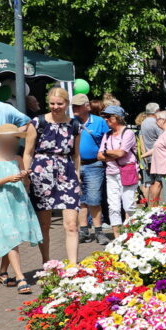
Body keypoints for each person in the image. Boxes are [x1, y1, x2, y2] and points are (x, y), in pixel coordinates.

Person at [23, 87, 82, 264]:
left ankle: (73, 266)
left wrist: (77, 175)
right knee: (44, 224)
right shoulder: (37, 122)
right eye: (52, 103)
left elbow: (76, 154)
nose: (55, 107)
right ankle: (46, 261)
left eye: (59, 103)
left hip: (67, 172)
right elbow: (28, 152)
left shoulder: (74, 125)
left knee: (72, 224)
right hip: (42, 173)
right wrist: (26, 176)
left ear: (67, 104)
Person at [0, 124, 41, 292]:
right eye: (6, 140)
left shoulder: (17, 158)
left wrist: (25, 177)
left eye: (13, 140)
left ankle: (2, 272)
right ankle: (21, 278)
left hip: (17, 201)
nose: (10, 143)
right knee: (11, 236)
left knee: (13, 238)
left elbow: (26, 183)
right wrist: (7, 179)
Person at [0, 83, 31, 234]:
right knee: (5, 186)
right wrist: (13, 136)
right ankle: (8, 218)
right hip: (6, 154)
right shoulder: (6, 107)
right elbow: (27, 121)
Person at [72, 93, 111, 244]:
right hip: (76, 165)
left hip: (94, 165)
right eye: (73, 105)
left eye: (77, 106)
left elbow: (108, 140)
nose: (74, 108)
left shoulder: (99, 122)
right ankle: (83, 231)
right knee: (80, 200)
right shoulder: (71, 122)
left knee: (94, 199)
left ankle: (99, 231)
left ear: (86, 107)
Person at [97, 105, 138, 237]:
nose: (106, 119)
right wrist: (110, 154)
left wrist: (106, 152)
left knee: (129, 206)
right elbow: (99, 156)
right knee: (113, 206)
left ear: (117, 118)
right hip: (111, 173)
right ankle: (117, 238)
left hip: (127, 172)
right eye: (105, 117)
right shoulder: (107, 135)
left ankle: (130, 235)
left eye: (108, 117)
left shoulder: (128, 133)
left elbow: (121, 153)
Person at [138, 101, 162, 197]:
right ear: (156, 111)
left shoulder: (143, 123)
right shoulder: (156, 123)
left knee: (149, 183)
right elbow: (163, 139)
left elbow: (141, 140)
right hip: (157, 157)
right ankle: (154, 206)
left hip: (147, 157)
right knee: (158, 183)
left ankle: (149, 205)